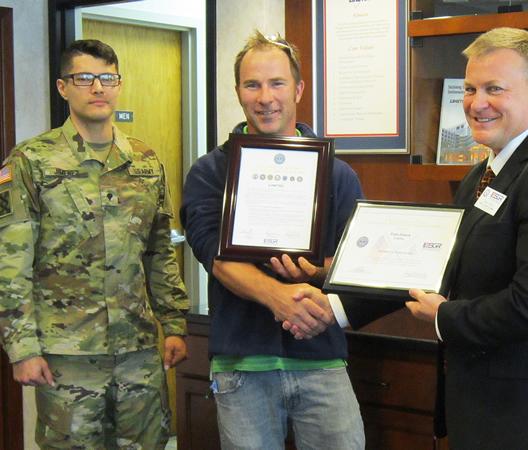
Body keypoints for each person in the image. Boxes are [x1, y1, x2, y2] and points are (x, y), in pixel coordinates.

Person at [403, 27, 528, 449]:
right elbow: (446, 264)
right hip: (490, 409)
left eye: (495, 88)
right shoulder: (484, 173)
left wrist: (444, 318)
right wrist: (338, 295)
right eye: (470, 88)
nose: (476, 103)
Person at [0, 39, 190, 449]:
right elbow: (10, 261)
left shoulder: (144, 161)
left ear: (119, 85)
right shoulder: (31, 161)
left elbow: (160, 250)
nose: (98, 88)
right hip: (66, 356)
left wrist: (173, 324)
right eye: (84, 78)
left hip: (138, 350)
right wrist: (21, 348)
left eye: (107, 78)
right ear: (63, 87)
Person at [180, 31, 365, 449]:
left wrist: (319, 272)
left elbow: (354, 260)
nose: (265, 97)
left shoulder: (337, 174)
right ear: (238, 92)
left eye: (277, 83)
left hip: (322, 358)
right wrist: (279, 297)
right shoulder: (210, 173)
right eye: (252, 84)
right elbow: (217, 258)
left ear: (298, 88)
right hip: (242, 366)